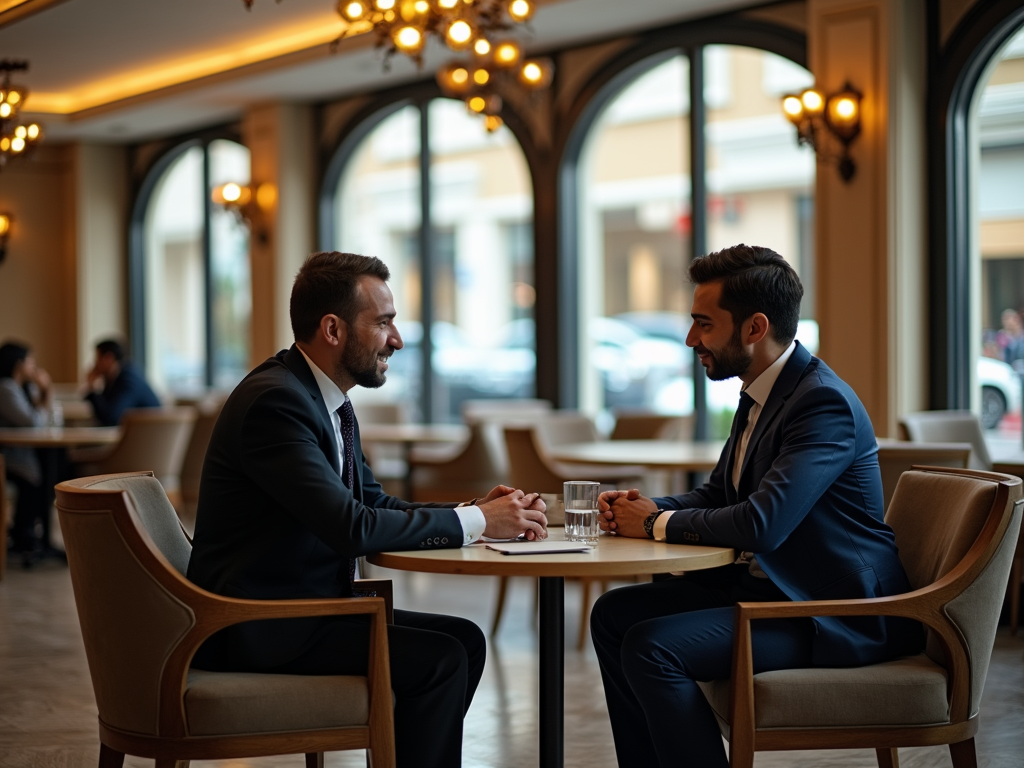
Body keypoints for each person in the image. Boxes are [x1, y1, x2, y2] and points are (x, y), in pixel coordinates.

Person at [187, 251, 548, 768]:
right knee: (441, 659)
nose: (397, 340)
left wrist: (473, 510)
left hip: (302, 612)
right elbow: (351, 527)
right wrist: (477, 524)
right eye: (383, 323)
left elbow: (372, 502)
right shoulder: (276, 404)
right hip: (260, 627)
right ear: (332, 329)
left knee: (463, 640)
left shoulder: (321, 399)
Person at [589, 244, 922, 768]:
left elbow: (762, 523)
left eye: (703, 323)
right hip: (768, 592)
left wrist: (653, 523)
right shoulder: (759, 393)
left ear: (754, 328)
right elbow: (720, 496)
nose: (690, 339)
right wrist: (650, 506)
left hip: (829, 612)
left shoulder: (821, 402)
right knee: (614, 614)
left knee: (653, 646)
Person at [0, 341, 55, 565]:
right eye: (30, 361)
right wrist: (47, 390)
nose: (34, 367)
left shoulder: (22, 388)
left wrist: (42, 392)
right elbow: (33, 421)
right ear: (18, 364)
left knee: (53, 468)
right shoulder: (5, 388)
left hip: (23, 454)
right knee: (36, 476)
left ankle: (32, 537)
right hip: (8, 457)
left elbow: (46, 420)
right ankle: (26, 536)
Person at [83, 338, 160, 426]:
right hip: (139, 432)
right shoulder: (115, 378)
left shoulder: (128, 380)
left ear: (108, 358)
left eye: (97, 358)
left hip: (149, 434)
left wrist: (93, 389)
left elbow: (110, 418)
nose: (95, 364)